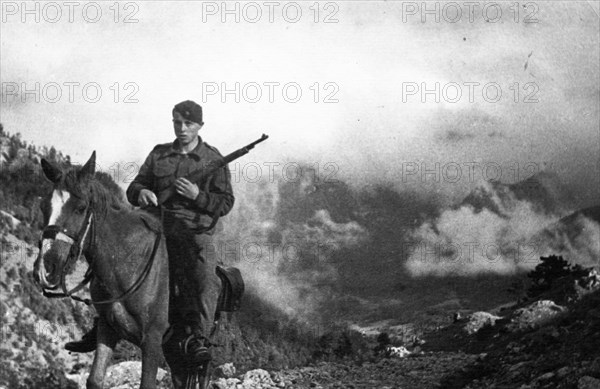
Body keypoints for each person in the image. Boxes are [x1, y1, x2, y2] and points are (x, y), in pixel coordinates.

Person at [65, 100, 234, 362]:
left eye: (188, 123)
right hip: (155, 222)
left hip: (193, 228)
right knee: (109, 253)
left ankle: (198, 335)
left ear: (200, 125)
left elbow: (225, 203)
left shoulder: (213, 159)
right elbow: (135, 187)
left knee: (204, 274)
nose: (182, 128)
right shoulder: (159, 155)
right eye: (177, 122)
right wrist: (142, 192)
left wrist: (198, 195)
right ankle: (104, 321)